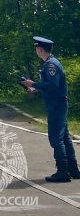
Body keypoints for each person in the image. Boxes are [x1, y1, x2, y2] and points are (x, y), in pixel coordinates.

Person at [22, 36, 80, 182]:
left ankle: (63, 171)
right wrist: (36, 88)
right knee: (64, 137)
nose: (36, 51)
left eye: (36, 48)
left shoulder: (51, 65)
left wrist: (33, 83)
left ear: (40, 49)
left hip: (56, 105)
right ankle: (73, 169)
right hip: (57, 103)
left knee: (56, 137)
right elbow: (51, 85)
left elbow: (53, 86)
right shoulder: (50, 63)